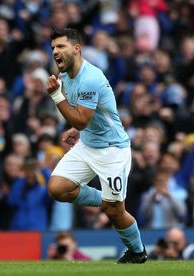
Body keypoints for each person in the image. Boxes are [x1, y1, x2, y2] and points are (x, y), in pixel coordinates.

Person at [46, 27, 147, 264]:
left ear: (76, 48)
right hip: (89, 144)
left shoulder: (90, 77)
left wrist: (56, 97)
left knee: (114, 213)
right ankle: (109, 199)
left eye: (60, 46)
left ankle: (137, 251)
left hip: (112, 150)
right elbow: (88, 116)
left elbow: (81, 118)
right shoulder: (67, 77)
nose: (55, 52)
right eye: (52, 48)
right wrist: (77, 128)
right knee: (58, 188)